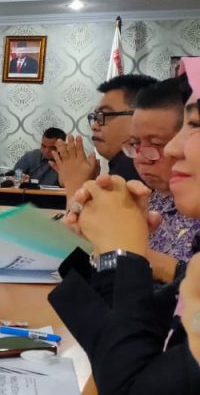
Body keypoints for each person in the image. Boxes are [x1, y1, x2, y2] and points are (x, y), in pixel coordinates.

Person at [52, 73, 200, 393]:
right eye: (136, 144)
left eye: (195, 126)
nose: (174, 149)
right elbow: (126, 340)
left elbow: (129, 384)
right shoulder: (155, 200)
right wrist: (99, 249)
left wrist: (123, 254)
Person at [125, 78, 200, 282]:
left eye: (157, 143)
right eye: (135, 143)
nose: (141, 157)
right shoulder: (147, 199)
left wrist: (131, 253)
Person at [53, 74, 156, 194]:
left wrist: (75, 185)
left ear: (139, 116)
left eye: (105, 115)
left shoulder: (133, 164)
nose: (94, 126)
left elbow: (113, 207)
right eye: (95, 117)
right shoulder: (122, 161)